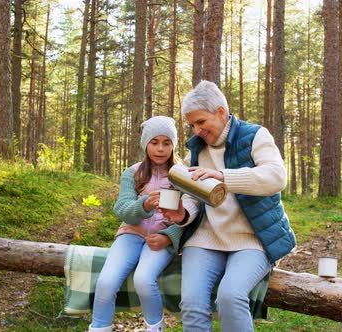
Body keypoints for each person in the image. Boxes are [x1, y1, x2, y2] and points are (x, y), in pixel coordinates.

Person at [162, 80, 296, 332]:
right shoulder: (196, 150)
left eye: (201, 122)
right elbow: (192, 195)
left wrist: (224, 176)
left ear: (221, 112)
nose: (197, 130)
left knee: (230, 296)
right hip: (205, 238)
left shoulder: (255, 135)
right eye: (192, 125)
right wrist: (182, 214)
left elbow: (277, 177)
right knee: (191, 302)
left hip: (251, 239)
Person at [89, 116, 183, 332]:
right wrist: (145, 205)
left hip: (161, 240)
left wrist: (169, 236)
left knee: (143, 279)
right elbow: (122, 209)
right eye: (154, 142)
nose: (160, 149)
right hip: (131, 234)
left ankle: (155, 328)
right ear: (145, 144)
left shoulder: (182, 175)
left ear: (173, 145)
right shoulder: (132, 173)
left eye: (166, 143)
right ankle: (99, 328)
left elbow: (190, 216)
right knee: (106, 282)